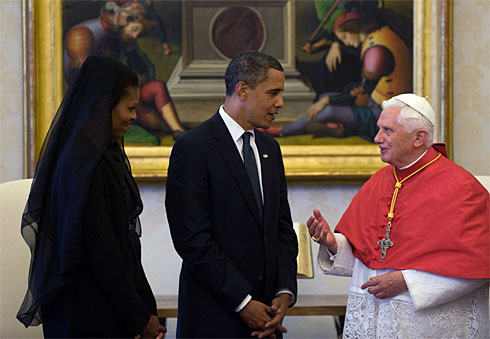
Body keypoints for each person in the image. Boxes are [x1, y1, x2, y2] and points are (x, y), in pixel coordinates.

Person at [307, 93, 490, 338]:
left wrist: (407, 281)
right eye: (378, 129)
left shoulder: (461, 187)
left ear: (419, 138)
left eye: (387, 130)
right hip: (377, 319)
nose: (377, 138)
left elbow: (480, 267)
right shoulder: (379, 181)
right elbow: (369, 254)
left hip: (429, 326)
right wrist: (333, 243)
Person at [17, 56, 166, 338]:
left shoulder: (104, 153)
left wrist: (147, 307)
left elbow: (126, 246)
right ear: (104, 105)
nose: (135, 117)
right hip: (86, 314)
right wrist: (138, 316)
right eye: (130, 109)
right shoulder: (80, 163)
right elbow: (103, 251)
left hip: (108, 306)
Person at [165, 50, 298, 338]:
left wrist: (285, 291)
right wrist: (243, 301)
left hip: (266, 322)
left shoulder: (269, 149)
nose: (281, 103)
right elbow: (192, 240)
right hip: (213, 319)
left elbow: (282, 230)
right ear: (242, 90)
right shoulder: (193, 148)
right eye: (273, 92)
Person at [266, 11, 412, 142]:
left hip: (384, 115)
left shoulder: (375, 51)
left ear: (353, 29)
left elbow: (362, 98)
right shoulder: (378, 35)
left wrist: (326, 101)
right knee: (327, 96)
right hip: (380, 103)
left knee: (328, 108)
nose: (345, 42)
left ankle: (281, 131)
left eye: (344, 37)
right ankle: (341, 127)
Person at [64, 0, 186, 141]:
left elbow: (143, 77)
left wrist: (131, 51)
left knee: (157, 87)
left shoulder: (124, 41)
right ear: (124, 22)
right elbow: (86, 79)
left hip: (124, 95)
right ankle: (170, 129)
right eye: (134, 30)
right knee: (146, 120)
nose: (135, 37)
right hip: (101, 100)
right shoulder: (82, 34)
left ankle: (177, 130)